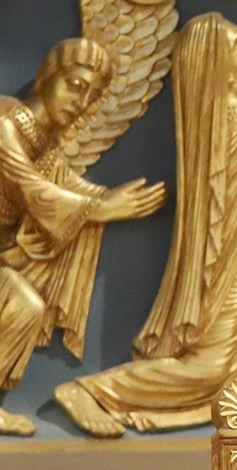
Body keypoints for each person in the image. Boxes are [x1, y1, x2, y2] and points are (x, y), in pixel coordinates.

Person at [54, 13, 237, 437]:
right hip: (225, 265)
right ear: (222, 70)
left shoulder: (230, 120)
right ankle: (89, 390)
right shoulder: (235, 123)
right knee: (211, 368)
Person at [0, 38, 166, 436]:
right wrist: (101, 209)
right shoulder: (5, 125)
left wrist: (109, 201)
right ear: (46, 78)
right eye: (75, 85)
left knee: (25, 305)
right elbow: (31, 189)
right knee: (22, 302)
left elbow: (68, 186)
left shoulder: (45, 147)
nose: (82, 102)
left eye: (92, 96)